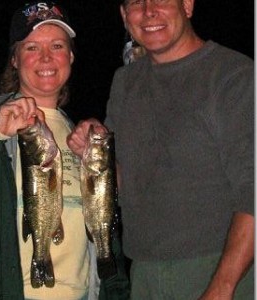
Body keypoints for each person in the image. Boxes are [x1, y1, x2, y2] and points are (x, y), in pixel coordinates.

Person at [67, 0, 254, 299]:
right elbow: (126, 182)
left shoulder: (234, 75)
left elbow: (253, 191)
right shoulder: (125, 82)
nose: (149, 11)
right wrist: (94, 150)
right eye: (137, 3)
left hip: (219, 266)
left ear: (188, 5)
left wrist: (222, 287)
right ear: (124, 15)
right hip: (143, 273)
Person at [0, 1, 130, 300]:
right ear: (15, 59)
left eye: (57, 46)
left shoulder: (85, 136)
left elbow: (108, 224)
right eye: (32, 48)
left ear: (72, 56)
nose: (46, 57)